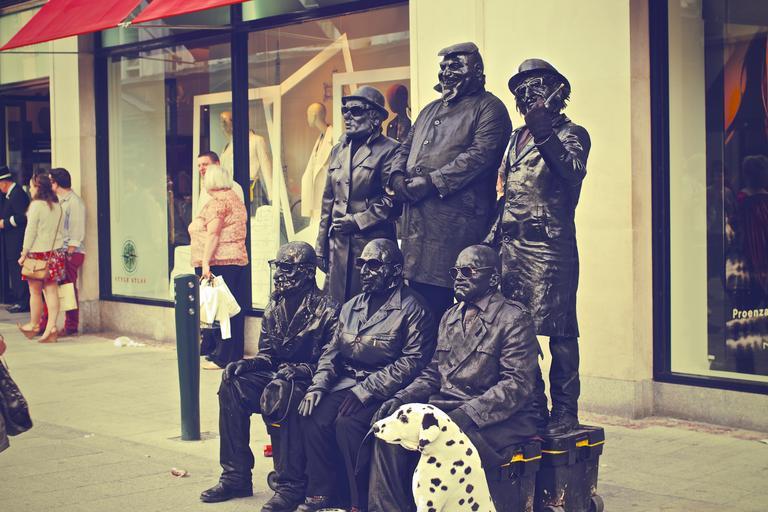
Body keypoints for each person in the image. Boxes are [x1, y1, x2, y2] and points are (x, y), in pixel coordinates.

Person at [368, 245, 541, 511]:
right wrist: (401, 399)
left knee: (446, 443)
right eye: (455, 272)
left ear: (493, 279)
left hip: (500, 417)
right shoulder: (450, 316)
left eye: (468, 271)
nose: (459, 277)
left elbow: (516, 385)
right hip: (449, 407)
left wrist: (468, 414)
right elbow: (433, 373)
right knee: (390, 435)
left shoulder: (514, 318)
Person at [486, 59, 591, 435]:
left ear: (557, 91)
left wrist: (545, 133)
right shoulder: (515, 138)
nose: (527, 94)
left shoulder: (572, 133)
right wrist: (492, 236)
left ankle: (565, 411)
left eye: (535, 86)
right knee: (518, 331)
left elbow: (572, 172)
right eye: (520, 90)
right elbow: (507, 193)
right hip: (512, 249)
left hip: (549, 248)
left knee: (560, 331)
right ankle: (532, 406)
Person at [297, 239, 436, 512]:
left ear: (396, 271)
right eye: (362, 264)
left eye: (374, 265)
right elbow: (332, 351)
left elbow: (413, 361)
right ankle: (321, 494)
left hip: (386, 389)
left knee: (348, 425)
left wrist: (366, 390)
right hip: (347, 383)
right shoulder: (352, 306)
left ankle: (358, 501)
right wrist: (318, 386)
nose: (365, 271)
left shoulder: (414, 309)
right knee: (314, 415)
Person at [200, 242, 340, 512]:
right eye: (277, 267)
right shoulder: (275, 304)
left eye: (287, 268)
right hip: (278, 375)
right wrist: (247, 365)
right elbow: (268, 355)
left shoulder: (329, 309)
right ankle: (235, 476)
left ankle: (290, 486)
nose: (278, 275)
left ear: (308, 272)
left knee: (282, 391)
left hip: (307, 382)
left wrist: (300, 370)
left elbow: (332, 362)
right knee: (233, 384)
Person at [386, 42, 512, 323]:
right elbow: (404, 147)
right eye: (443, 67)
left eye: (455, 66)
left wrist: (432, 182)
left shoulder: (490, 108)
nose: (446, 73)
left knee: (457, 311)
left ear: (476, 70)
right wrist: (396, 176)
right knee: (418, 311)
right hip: (416, 227)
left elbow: (480, 156)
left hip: (457, 229)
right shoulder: (429, 110)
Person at [316, 86, 400, 303]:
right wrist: (321, 247)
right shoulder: (338, 150)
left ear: (375, 117)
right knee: (336, 306)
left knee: (367, 305)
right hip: (338, 247)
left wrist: (357, 221)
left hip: (371, 248)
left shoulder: (391, 150)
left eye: (355, 111)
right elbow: (328, 201)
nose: (347, 116)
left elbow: (393, 201)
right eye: (345, 111)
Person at [188, 164, 248, 369]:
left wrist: (205, 263)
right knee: (230, 309)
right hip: (234, 260)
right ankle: (229, 354)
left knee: (221, 311)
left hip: (220, 261)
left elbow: (213, 234)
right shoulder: (234, 199)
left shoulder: (219, 203)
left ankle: (224, 358)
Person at [36, 168, 85, 337]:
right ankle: (45, 324)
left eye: (50, 181)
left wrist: (69, 252)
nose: (49, 184)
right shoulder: (57, 200)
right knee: (50, 287)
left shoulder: (74, 202)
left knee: (68, 289)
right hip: (58, 251)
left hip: (70, 252)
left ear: (56, 183)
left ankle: (71, 326)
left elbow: (77, 230)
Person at [16, 173, 65, 344]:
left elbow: (30, 231)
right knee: (51, 291)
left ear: (38, 187)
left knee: (35, 292)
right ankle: (51, 328)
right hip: (55, 253)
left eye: (31, 186)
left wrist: (24, 253)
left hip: (37, 254)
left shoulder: (36, 205)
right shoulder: (57, 205)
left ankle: (34, 325)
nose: (30, 189)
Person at [0, 167, 30, 313]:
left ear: (4, 183)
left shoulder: (17, 194)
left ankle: (22, 302)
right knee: (14, 270)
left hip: (18, 241)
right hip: (12, 241)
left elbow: (22, 217)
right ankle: (19, 300)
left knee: (18, 271)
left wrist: (4, 223)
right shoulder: (11, 194)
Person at [196, 151, 245, 215]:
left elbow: (237, 216)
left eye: (205, 164)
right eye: (199, 166)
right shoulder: (204, 189)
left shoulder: (233, 187)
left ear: (217, 164)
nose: (201, 168)